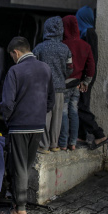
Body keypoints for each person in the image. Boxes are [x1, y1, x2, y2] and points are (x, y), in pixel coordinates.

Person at [0, 37, 54, 214]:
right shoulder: (46, 68)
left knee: (19, 168)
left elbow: (7, 103)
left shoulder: (15, 71)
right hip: (38, 126)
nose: (12, 60)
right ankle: (17, 204)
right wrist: (38, 114)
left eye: (12, 56)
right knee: (26, 165)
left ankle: (20, 209)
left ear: (16, 52)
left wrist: (8, 119)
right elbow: (51, 100)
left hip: (19, 126)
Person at [33, 16, 73, 153]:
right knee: (57, 117)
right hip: (60, 89)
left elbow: (32, 67)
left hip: (43, 89)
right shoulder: (65, 48)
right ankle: (54, 145)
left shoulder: (39, 48)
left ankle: (43, 145)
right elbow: (70, 68)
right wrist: (62, 77)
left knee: (45, 116)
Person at [59, 15, 95, 151]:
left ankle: (62, 143)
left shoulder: (63, 45)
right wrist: (86, 81)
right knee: (74, 113)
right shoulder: (85, 45)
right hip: (77, 85)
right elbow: (91, 66)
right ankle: (73, 143)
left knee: (63, 113)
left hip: (64, 84)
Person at [76, 6, 108, 149]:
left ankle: (99, 135)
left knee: (81, 106)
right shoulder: (85, 32)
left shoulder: (89, 32)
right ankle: (81, 135)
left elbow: (91, 59)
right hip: (86, 75)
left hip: (86, 76)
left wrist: (85, 80)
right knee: (82, 104)